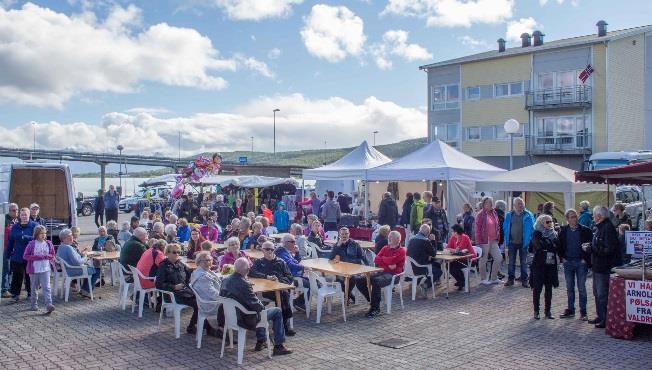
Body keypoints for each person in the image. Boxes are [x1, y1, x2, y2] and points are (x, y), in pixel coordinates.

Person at [220, 258, 292, 356]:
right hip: (245, 319)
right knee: (276, 311)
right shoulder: (245, 284)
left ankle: (261, 341)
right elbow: (257, 307)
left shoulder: (225, 280)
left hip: (230, 317)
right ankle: (279, 346)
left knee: (258, 309)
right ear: (247, 270)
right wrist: (261, 304)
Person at [156, 243, 214, 335]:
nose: (177, 254)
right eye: (174, 252)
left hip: (185, 292)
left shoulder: (180, 264)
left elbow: (190, 275)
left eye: (179, 252)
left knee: (202, 299)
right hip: (172, 294)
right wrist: (174, 287)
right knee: (199, 304)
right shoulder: (163, 266)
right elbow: (158, 284)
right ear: (167, 253)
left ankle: (204, 326)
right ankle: (195, 327)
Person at [249, 240, 297, 336]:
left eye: (271, 249)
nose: (269, 251)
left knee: (284, 295)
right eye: (267, 249)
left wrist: (278, 280)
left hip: (280, 289)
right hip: (266, 291)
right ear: (262, 250)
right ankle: (283, 326)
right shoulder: (259, 262)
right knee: (284, 295)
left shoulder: (281, 262)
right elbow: (252, 272)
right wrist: (266, 277)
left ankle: (284, 325)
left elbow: (289, 276)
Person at [587, 206, 619, 329]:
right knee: (596, 293)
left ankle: (605, 319)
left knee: (602, 294)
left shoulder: (608, 228)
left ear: (599, 216)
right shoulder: (601, 227)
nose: (593, 217)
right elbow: (600, 245)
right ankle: (600, 316)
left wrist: (592, 249)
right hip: (597, 265)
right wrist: (592, 246)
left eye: (594, 215)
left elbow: (608, 249)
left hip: (603, 266)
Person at [558, 209, 593, 320]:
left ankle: (583, 312)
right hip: (568, 262)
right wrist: (562, 258)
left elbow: (590, 246)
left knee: (581, 288)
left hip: (580, 262)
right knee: (569, 287)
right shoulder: (563, 230)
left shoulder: (585, 230)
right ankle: (571, 310)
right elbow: (559, 245)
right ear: (567, 219)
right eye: (571, 217)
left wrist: (585, 260)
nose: (574, 219)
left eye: (575, 216)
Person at [366, 231, 405, 318]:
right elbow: (376, 259)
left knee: (376, 281)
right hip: (382, 272)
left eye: (391, 237)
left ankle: (375, 308)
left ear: (398, 239)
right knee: (362, 279)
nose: (389, 238)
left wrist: (383, 260)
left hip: (394, 275)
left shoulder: (402, 250)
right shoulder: (385, 248)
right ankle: (372, 300)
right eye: (389, 236)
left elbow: (392, 261)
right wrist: (388, 262)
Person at [529, 214, 560, 320]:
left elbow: (558, 246)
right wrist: (549, 244)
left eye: (551, 221)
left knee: (549, 288)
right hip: (539, 264)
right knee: (537, 288)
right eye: (547, 222)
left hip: (550, 264)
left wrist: (548, 244)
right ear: (542, 222)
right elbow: (538, 245)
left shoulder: (555, 233)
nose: (550, 223)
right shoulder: (537, 233)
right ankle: (536, 311)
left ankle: (548, 311)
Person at [329, 227, 369, 304]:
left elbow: (363, 257)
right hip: (341, 270)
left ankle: (346, 297)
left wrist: (368, 268)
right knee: (339, 281)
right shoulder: (337, 245)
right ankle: (350, 297)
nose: (344, 235)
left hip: (354, 269)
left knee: (353, 279)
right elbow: (331, 258)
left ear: (349, 234)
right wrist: (337, 246)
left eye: (346, 234)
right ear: (339, 235)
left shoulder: (355, 244)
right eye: (342, 234)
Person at [56, 228, 99, 298]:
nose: (71, 237)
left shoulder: (61, 247)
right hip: (74, 270)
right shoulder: (68, 248)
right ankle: (86, 291)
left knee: (91, 267)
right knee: (97, 270)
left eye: (71, 235)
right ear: (63, 239)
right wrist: (86, 257)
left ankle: (84, 289)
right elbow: (77, 262)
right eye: (69, 236)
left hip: (68, 270)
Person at [5, 208, 37, 301]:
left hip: (30, 256)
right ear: (20, 215)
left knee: (29, 276)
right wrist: (7, 254)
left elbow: (39, 238)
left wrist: (27, 237)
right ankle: (15, 295)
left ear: (29, 215)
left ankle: (31, 293)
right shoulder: (15, 227)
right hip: (17, 256)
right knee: (17, 275)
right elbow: (10, 241)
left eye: (25, 214)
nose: (24, 216)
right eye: (22, 215)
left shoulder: (34, 226)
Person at [189, 251, 223, 336]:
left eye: (210, 260)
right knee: (234, 305)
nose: (209, 262)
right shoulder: (202, 276)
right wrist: (225, 298)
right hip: (209, 304)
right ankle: (223, 330)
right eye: (206, 260)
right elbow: (212, 293)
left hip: (208, 300)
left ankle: (216, 329)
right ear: (199, 262)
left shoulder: (203, 271)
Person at [23, 225, 55, 313]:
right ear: (36, 234)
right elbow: (25, 256)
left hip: (46, 269)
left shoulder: (48, 243)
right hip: (34, 270)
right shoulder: (32, 244)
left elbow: (52, 254)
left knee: (47, 287)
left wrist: (47, 256)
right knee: (34, 287)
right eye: (41, 233)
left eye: (45, 233)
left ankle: (49, 304)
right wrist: (38, 257)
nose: (43, 235)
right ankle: (34, 304)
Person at [503, 197, 534, 288]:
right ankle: (510, 279)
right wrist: (507, 238)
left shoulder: (528, 214)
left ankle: (524, 280)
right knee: (511, 262)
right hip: (512, 242)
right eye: (519, 203)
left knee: (523, 262)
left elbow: (533, 227)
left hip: (523, 243)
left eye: (522, 203)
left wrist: (529, 239)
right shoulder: (509, 215)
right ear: (514, 205)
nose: (521, 205)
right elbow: (505, 226)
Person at [407, 224, 443, 295]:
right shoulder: (425, 241)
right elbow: (433, 254)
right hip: (421, 268)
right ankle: (425, 285)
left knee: (435, 265)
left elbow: (416, 252)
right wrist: (432, 241)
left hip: (410, 267)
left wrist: (426, 256)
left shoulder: (411, 239)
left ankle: (415, 284)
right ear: (428, 233)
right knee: (438, 271)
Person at [474, 197, 503, 285]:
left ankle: (494, 278)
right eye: (487, 203)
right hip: (484, 240)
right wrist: (478, 242)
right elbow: (477, 229)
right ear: (483, 204)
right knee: (483, 260)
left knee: (499, 257)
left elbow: (497, 226)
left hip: (493, 240)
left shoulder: (494, 213)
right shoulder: (480, 214)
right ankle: (483, 279)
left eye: (490, 202)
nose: (489, 204)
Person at [446, 224, 477, 291]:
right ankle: (461, 281)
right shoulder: (453, 237)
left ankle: (462, 281)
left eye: (452, 231)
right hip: (459, 258)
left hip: (470, 259)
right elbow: (448, 248)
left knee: (455, 266)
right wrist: (454, 250)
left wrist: (454, 250)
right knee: (448, 265)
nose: (451, 232)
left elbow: (459, 249)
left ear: (456, 232)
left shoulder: (465, 237)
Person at [2, 203, 19, 298]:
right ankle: (4, 289)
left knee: (11, 269)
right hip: (6, 249)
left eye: (17, 210)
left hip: (15, 249)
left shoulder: (17, 220)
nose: (16, 212)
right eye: (13, 210)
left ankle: (9, 287)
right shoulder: (4, 219)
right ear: (9, 211)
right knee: (6, 269)